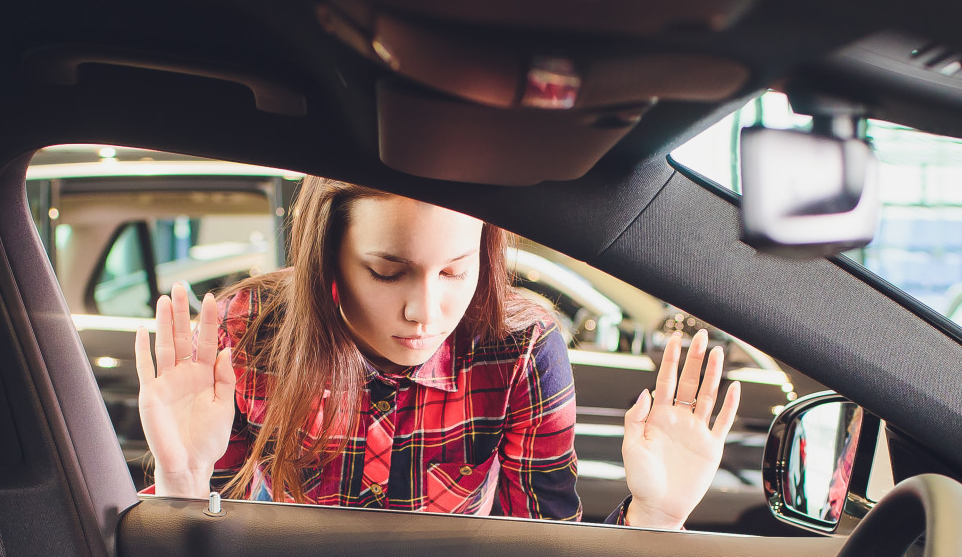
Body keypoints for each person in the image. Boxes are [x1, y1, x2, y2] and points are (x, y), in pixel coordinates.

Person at [134, 176, 740, 528]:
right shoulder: (255, 328)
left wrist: (655, 515)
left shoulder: (519, 349)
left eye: (454, 272)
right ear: (328, 261)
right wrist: (182, 478)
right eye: (387, 272)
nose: (424, 313)